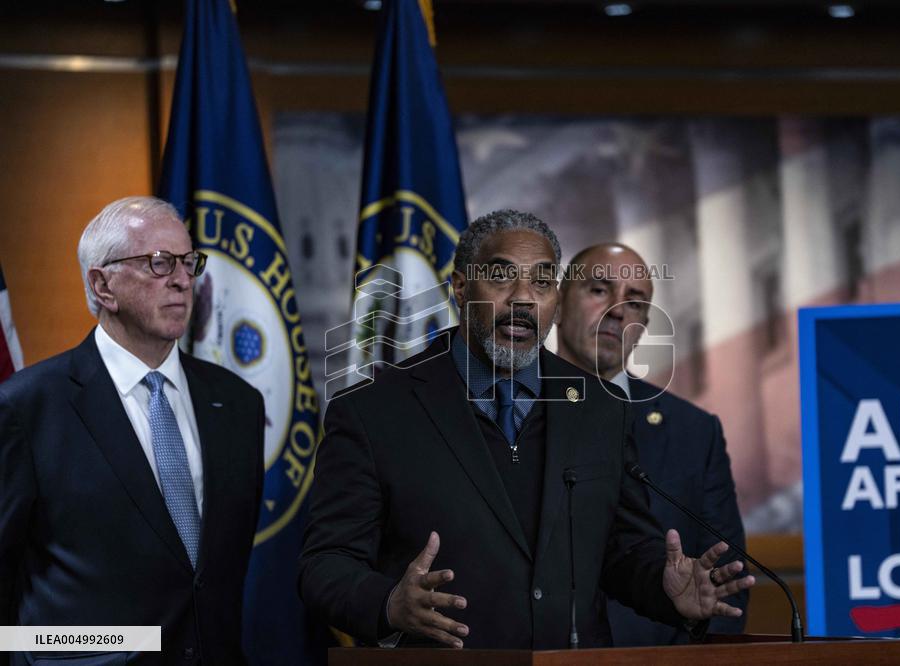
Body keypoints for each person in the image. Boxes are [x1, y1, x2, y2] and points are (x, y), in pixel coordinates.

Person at [299, 209, 753, 650]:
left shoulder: (600, 408)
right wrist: (388, 604)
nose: (522, 298)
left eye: (541, 282)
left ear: (554, 300)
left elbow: (622, 549)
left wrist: (665, 587)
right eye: (501, 276)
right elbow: (326, 564)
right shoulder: (373, 410)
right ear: (460, 286)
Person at [0, 196, 265, 665]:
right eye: (159, 263)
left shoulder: (239, 405)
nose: (183, 279)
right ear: (102, 285)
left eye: (188, 262)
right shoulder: (28, 406)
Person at [557, 242, 748, 646]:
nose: (618, 310)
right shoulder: (510, 410)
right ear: (557, 303)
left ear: (643, 324)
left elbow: (723, 584)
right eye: (598, 290)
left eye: (636, 302)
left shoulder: (694, 432)